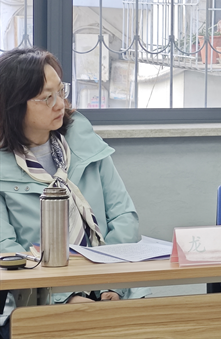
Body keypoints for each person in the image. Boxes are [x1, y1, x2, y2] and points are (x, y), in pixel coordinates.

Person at [0, 48, 149, 336]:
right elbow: (8, 251)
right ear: (13, 105)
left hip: (111, 287)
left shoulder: (85, 144)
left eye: (61, 91)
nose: (60, 104)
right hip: (34, 302)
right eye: (47, 97)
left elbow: (124, 217)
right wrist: (64, 297)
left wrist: (110, 286)